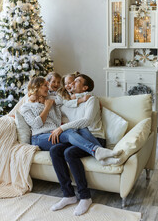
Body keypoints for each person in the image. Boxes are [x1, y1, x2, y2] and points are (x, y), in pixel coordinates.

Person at [49, 74, 123, 216]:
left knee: (69, 153)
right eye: (71, 82)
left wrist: (62, 128)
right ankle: (68, 195)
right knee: (55, 150)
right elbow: (54, 102)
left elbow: (86, 121)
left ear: (85, 87)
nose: (72, 83)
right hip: (77, 138)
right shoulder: (68, 102)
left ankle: (85, 197)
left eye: (76, 81)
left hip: (95, 138)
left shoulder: (92, 99)